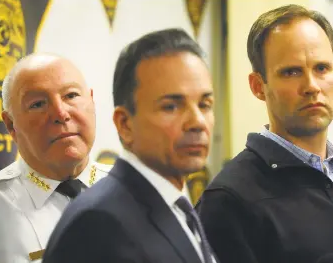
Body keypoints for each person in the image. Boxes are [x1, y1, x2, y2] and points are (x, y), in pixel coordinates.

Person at [197, 4, 333, 263]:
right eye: (292, 71)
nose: (312, 86)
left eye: (322, 68)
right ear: (258, 86)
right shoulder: (229, 200)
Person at [43, 28, 216, 263]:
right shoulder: (98, 224)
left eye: (205, 104)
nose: (197, 122)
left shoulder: (178, 206)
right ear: (125, 124)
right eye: (171, 107)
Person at [0, 53, 111, 263]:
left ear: (91, 101)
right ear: (10, 124)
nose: (60, 113)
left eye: (71, 95)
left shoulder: (139, 192)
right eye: (38, 104)